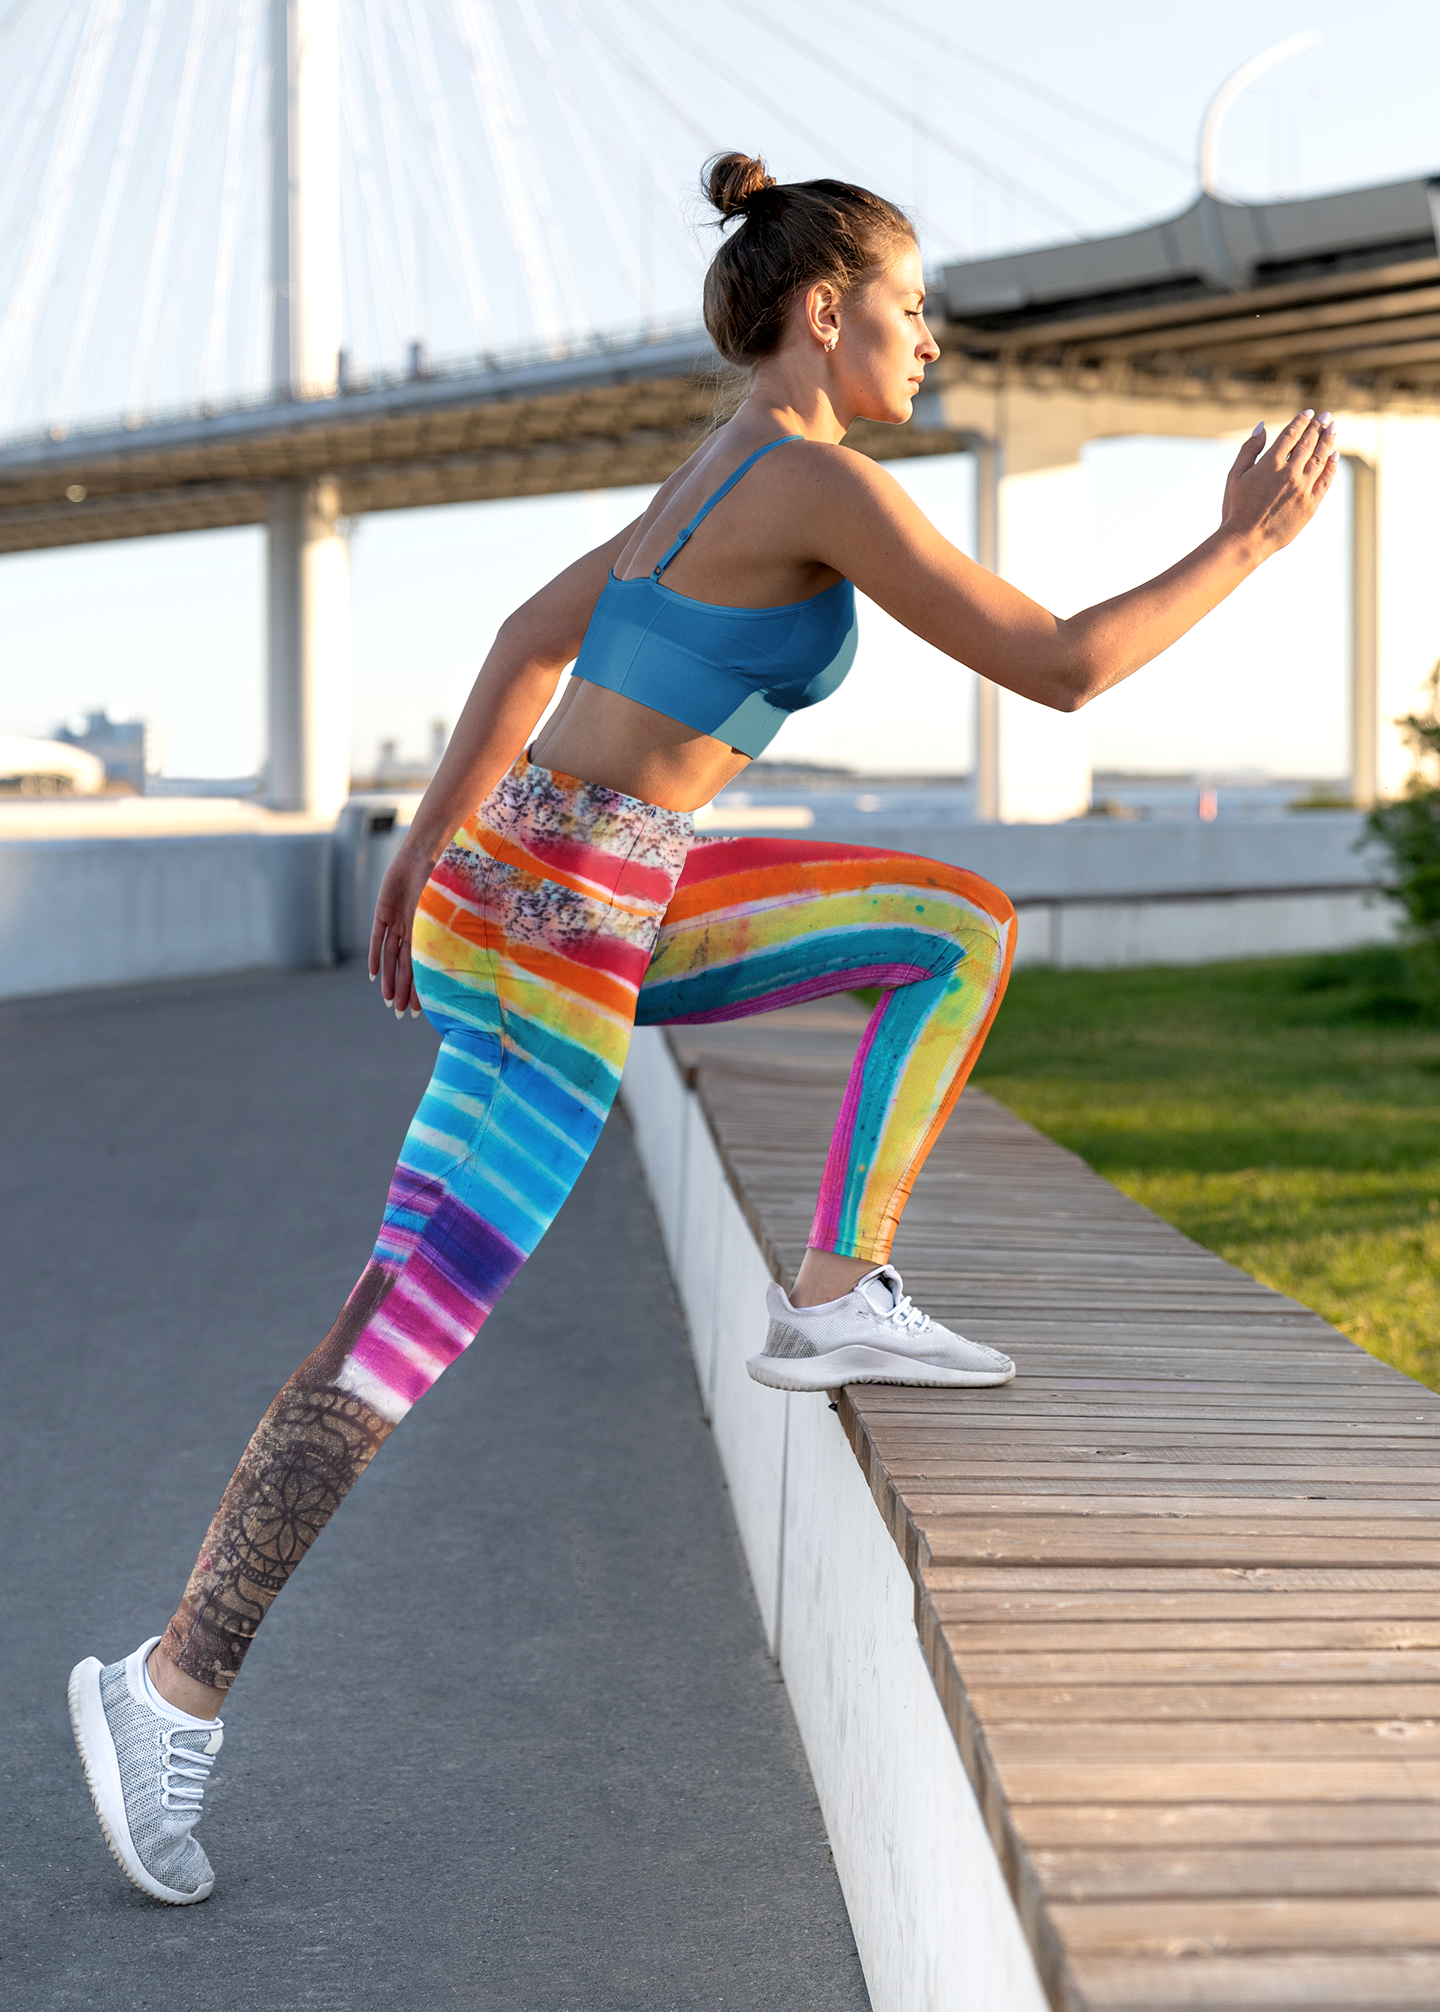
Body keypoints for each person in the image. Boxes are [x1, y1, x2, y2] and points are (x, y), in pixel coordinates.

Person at [68, 152, 1337, 1906]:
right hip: (585, 913)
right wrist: (1249, 541)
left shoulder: (718, 461)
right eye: (912, 312)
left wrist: (418, 870)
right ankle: (824, 1301)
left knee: (394, 1312)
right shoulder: (815, 478)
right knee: (947, 933)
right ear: (829, 313)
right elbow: (1059, 668)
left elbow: (526, 637)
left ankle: (173, 1684)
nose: (936, 346)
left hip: (527, 885)